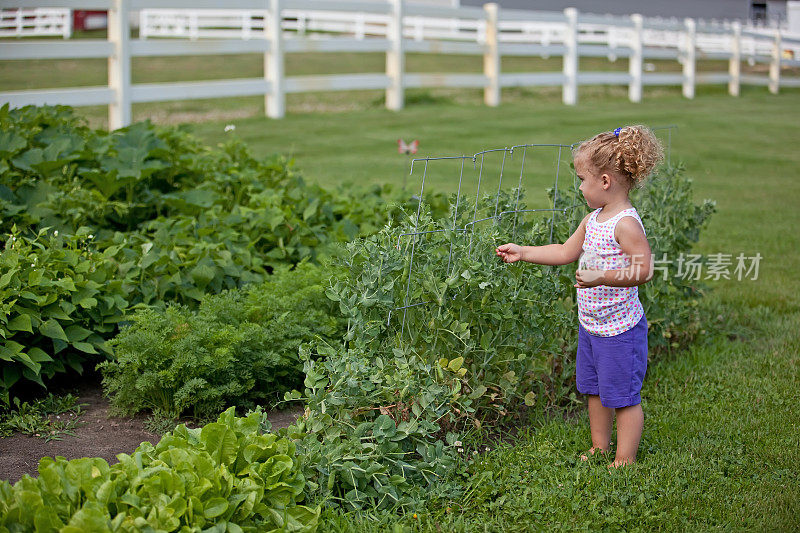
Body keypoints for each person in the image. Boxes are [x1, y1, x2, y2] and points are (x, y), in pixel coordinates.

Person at [495, 125, 663, 467]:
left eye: (582, 179)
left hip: (620, 330)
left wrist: (601, 276)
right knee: (595, 389)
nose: (580, 187)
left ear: (605, 181)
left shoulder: (625, 224)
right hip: (591, 326)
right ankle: (600, 446)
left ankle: (625, 458)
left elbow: (644, 270)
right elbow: (564, 250)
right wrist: (523, 252)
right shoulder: (593, 219)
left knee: (624, 397)